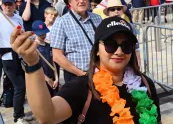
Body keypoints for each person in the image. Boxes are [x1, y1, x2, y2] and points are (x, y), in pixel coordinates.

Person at [10, 16, 162, 124]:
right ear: (97, 50)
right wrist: (32, 64)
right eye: (110, 44)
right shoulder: (83, 87)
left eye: (126, 45)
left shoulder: (144, 84)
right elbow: (47, 116)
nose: (119, 51)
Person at [51, 0, 102, 83]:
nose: (81, 1)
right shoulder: (61, 22)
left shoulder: (97, 19)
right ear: (70, 2)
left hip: (100, 74)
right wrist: (82, 74)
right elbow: (57, 56)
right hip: (76, 77)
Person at [103, 0, 141, 67]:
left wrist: (138, 64)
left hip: (127, 62)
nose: (116, 11)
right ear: (108, 12)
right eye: (112, 9)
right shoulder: (104, 27)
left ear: (122, 11)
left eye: (118, 8)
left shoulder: (130, 26)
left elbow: (136, 47)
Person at [32, 20, 59, 97]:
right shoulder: (34, 48)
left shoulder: (49, 46)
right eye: (40, 34)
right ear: (34, 33)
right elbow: (36, 67)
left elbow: (53, 62)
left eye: (44, 33)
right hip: (41, 80)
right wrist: (47, 79)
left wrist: (56, 78)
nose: (43, 36)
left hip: (52, 78)